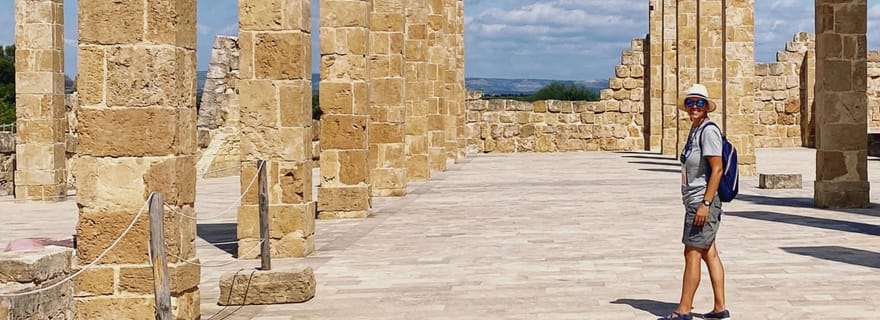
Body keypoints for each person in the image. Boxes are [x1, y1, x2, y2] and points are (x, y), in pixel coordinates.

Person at [660, 84, 730, 320]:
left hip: (702, 202)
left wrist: (705, 203)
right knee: (709, 251)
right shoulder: (695, 129)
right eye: (690, 103)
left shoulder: (708, 131)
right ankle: (720, 308)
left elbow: (717, 169)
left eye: (699, 103)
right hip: (695, 200)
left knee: (692, 253)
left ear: (707, 106)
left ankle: (683, 310)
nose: (694, 107)